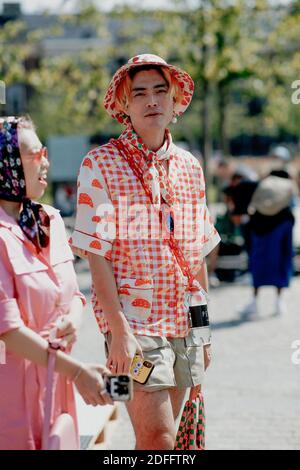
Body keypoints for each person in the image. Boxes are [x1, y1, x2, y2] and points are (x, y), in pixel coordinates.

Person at [70, 54, 220, 450]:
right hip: (133, 327)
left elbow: (196, 257)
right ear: (124, 104)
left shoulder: (190, 165)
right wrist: (117, 334)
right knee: (159, 437)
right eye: (139, 94)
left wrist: (204, 334)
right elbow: (95, 254)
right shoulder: (100, 163)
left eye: (160, 91)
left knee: (159, 442)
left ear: (175, 102)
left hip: (185, 324)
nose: (151, 101)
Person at [0, 116, 113, 451]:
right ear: (6, 163)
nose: (46, 161)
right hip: (10, 395)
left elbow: (74, 294)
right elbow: (7, 330)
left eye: (44, 151)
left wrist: (73, 319)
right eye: (35, 154)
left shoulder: (49, 220)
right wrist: (77, 371)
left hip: (55, 386)